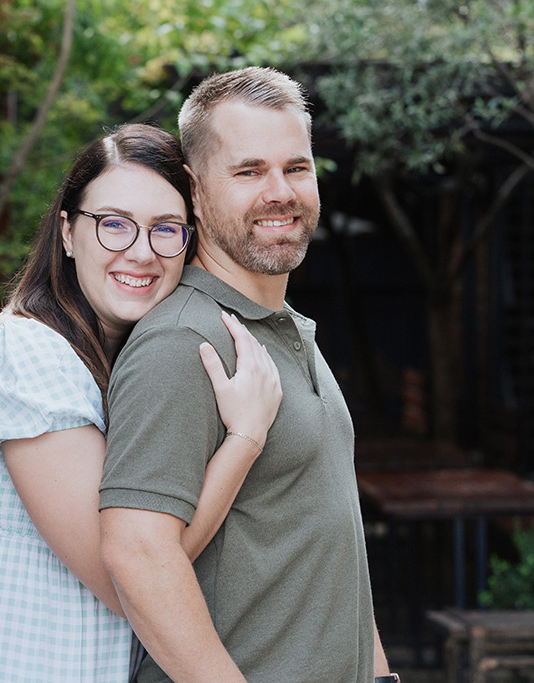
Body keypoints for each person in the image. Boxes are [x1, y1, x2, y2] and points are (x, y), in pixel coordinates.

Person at [0, 123, 283, 682]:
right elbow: (127, 574)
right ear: (68, 232)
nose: (142, 252)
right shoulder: (25, 354)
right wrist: (245, 438)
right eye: (115, 225)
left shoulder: (101, 363)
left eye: (166, 229)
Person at [99, 68, 398, 682]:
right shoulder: (185, 340)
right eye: (248, 171)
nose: (279, 191)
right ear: (195, 189)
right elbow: (138, 555)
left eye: (296, 167)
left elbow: (332, 546)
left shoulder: (283, 329)